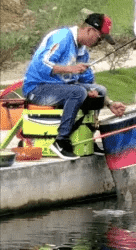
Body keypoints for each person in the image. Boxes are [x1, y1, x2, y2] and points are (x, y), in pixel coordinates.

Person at [23, 13, 126, 159]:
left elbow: (88, 81)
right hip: (37, 89)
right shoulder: (62, 37)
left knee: (100, 90)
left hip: (60, 89)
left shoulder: (82, 51)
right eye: (100, 37)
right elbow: (41, 64)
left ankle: (87, 138)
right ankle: (61, 140)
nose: (99, 42)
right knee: (77, 92)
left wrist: (109, 103)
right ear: (90, 30)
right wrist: (70, 69)